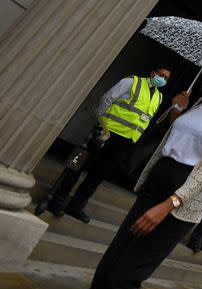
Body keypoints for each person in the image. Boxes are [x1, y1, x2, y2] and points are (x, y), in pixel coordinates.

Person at [82, 55, 202, 289]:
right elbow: (178, 137)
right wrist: (177, 112)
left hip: (182, 199)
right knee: (107, 267)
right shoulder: (201, 102)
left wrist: (171, 203)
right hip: (156, 184)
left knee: (124, 279)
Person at [48, 66, 172, 223]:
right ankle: (57, 199)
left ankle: (77, 206)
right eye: (161, 75)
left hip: (126, 142)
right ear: (153, 73)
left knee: (98, 175)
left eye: (166, 78)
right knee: (77, 165)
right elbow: (107, 98)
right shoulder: (132, 82)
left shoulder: (158, 97)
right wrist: (100, 125)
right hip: (106, 133)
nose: (163, 79)